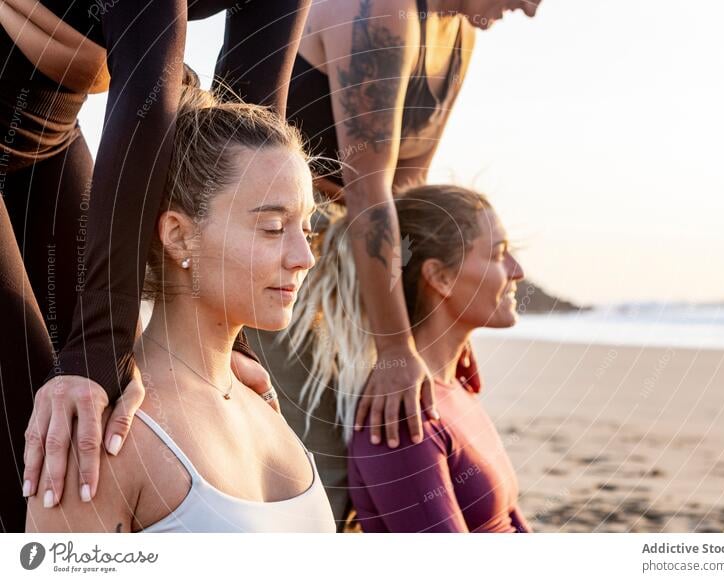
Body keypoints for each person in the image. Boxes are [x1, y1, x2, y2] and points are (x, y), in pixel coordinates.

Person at [0, 0, 311, 531]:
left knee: (85, 409)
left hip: (48, 127)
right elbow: (149, 82)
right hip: (64, 103)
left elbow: (249, 127)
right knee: (49, 429)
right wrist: (97, 347)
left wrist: (225, 342)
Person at [248, 0, 542, 527]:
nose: (531, 8)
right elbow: (368, 188)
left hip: (356, 249)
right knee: (323, 463)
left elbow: (408, 195)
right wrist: (393, 350)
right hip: (278, 243)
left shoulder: (461, 35)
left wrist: (438, 329)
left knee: (382, 434)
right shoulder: (382, 10)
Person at [284, 184, 529, 532]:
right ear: (440, 278)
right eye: (497, 254)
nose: (517, 270)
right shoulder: (404, 416)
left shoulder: (456, 388)